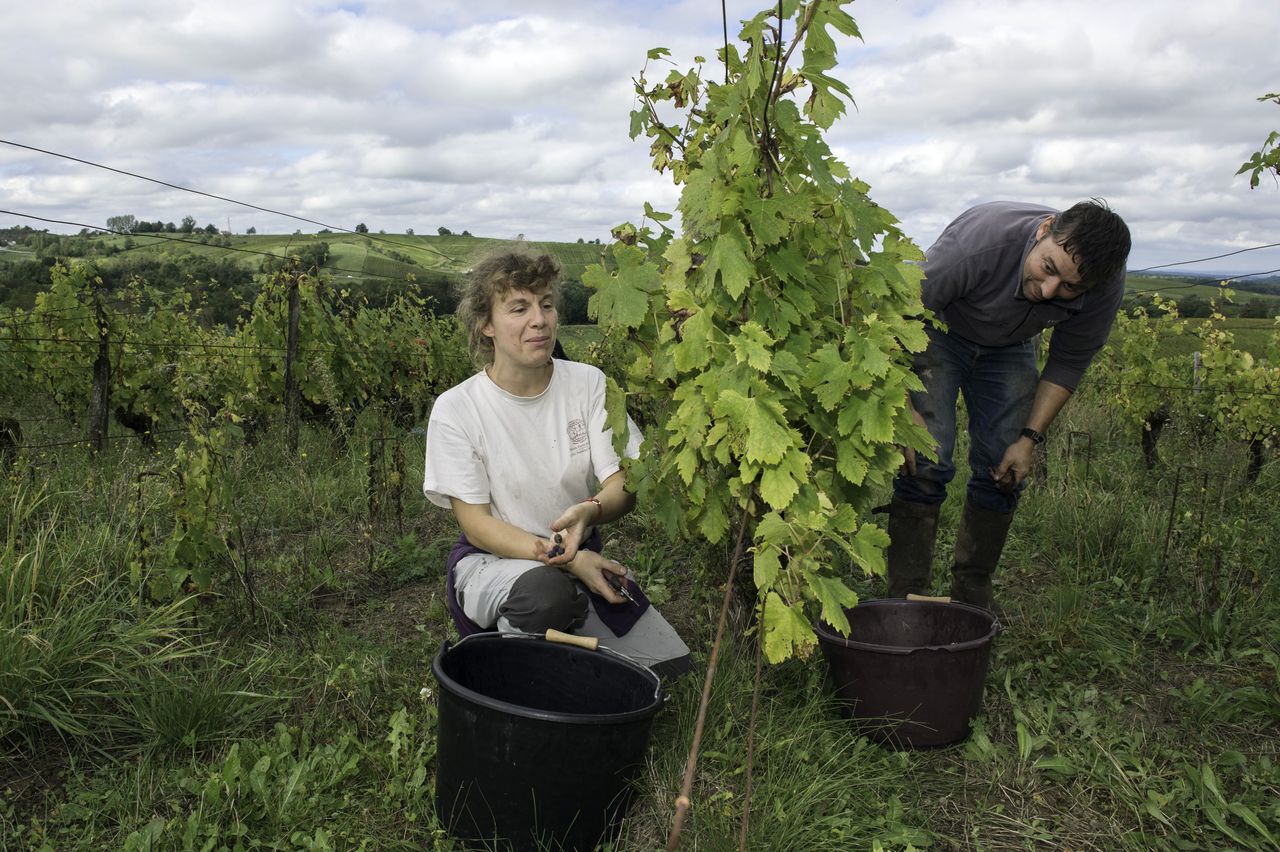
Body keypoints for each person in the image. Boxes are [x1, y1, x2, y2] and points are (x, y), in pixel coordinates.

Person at [422, 250, 691, 677]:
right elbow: (477, 524)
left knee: (670, 667)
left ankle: (563, 637)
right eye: (519, 308)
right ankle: (506, 667)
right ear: (486, 324)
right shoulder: (458, 409)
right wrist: (564, 559)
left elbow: (622, 482)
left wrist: (592, 510)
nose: (539, 319)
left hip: (577, 556)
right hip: (493, 563)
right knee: (547, 598)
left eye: (546, 304)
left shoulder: (588, 384)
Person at [887, 199, 1131, 609]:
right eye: (1048, 269)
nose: (1049, 291)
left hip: (1012, 345)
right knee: (926, 457)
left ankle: (973, 593)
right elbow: (898, 316)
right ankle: (904, 597)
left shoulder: (1102, 281)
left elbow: (1069, 362)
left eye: (1070, 288)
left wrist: (1029, 439)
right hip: (938, 328)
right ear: (1044, 230)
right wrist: (899, 406)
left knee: (1004, 467)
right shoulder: (977, 244)